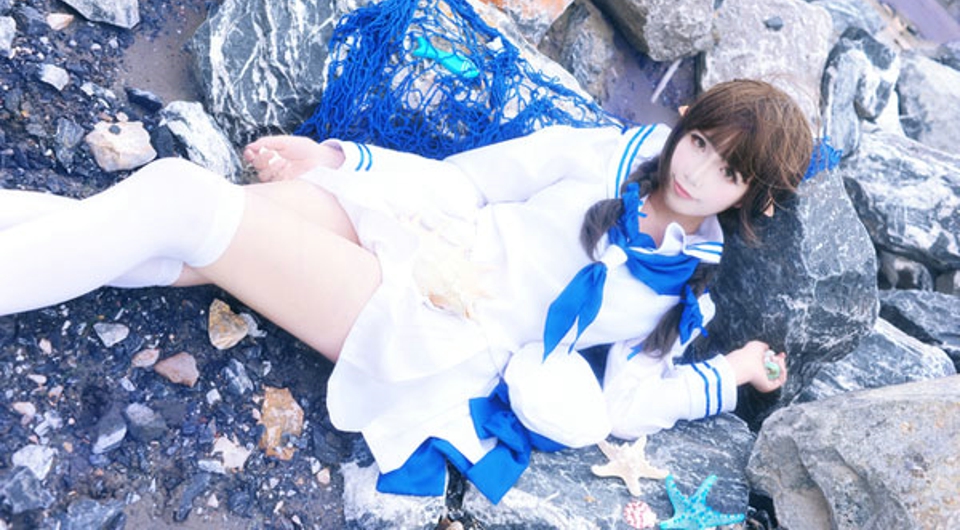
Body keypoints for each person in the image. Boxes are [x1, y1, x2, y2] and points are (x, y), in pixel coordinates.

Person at [0, 78, 813, 502]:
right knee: (184, 238)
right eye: (699, 142)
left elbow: (628, 402)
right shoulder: (605, 152)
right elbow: (467, 183)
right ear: (686, 122)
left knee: (182, 199)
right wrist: (340, 159)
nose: (697, 171)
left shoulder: (683, 289)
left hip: (435, 326)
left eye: (727, 170)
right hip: (420, 234)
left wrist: (731, 374)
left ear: (755, 196)